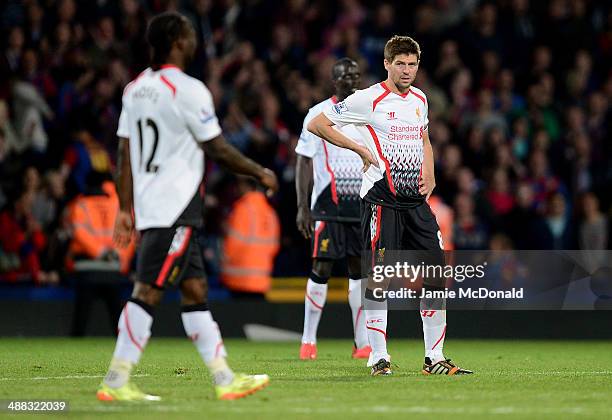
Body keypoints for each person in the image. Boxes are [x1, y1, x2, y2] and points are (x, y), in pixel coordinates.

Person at [97, 12, 278, 402]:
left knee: (195, 290)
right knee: (147, 291)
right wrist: (259, 172)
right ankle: (116, 380)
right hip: (174, 206)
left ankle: (224, 377)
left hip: (156, 205)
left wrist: (127, 208)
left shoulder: (135, 89)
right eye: (191, 36)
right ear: (178, 41)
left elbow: (124, 153)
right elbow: (216, 147)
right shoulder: (187, 89)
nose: (196, 42)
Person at [308, 35, 472, 376]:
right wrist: (358, 149)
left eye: (413, 64)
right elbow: (317, 124)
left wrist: (430, 170)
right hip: (382, 202)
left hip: (415, 204)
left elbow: (424, 139)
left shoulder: (420, 100)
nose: (407, 70)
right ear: (386, 64)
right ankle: (378, 356)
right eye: (401, 63)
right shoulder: (369, 99)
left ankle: (435, 357)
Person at [295, 58, 371, 360]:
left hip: (361, 203)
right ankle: (308, 340)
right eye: (345, 76)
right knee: (322, 268)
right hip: (328, 204)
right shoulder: (317, 114)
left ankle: (361, 343)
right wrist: (303, 206)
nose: (352, 80)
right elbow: (303, 160)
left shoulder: (367, 111)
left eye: (355, 75)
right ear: (334, 81)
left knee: (359, 272)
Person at [65, 171, 135, 336]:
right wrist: (121, 258)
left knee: (80, 323)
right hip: (113, 269)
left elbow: (79, 234)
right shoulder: (119, 205)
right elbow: (129, 236)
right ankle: (126, 352)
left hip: (86, 269)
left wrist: (100, 252)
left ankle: (73, 354)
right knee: (119, 324)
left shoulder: (80, 204)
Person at [221, 176, 280, 299]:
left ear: (246, 186)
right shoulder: (270, 212)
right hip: (262, 281)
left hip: (238, 281)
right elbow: (274, 247)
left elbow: (232, 245)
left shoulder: (242, 209)